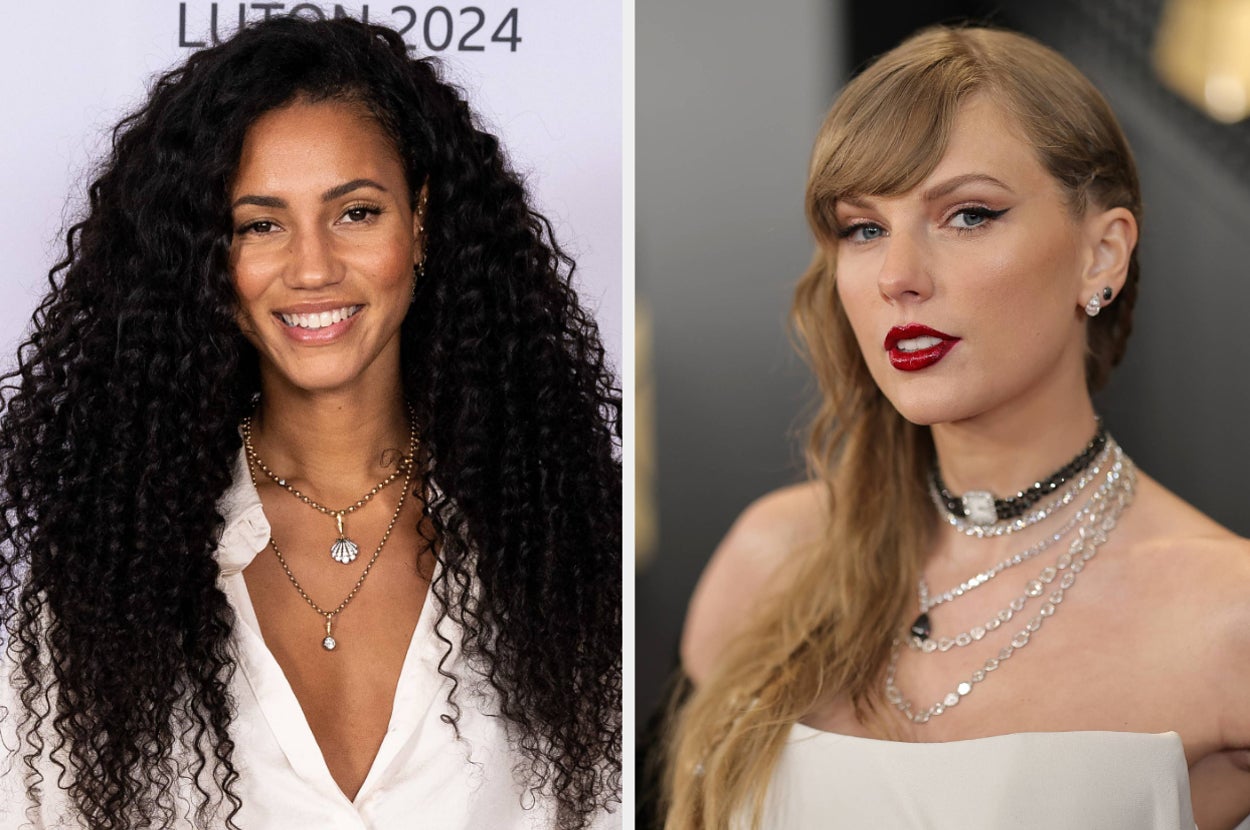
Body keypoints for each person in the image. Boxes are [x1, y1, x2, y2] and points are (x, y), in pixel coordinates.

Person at [0, 15, 620, 830]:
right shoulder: (98, 583)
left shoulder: (568, 547)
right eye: (260, 224)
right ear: (209, 259)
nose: (314, 268)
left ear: (421, 221)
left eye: (356, 212)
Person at [666, 24, 1250, 830]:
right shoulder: (771, 563)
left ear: (1102, 255)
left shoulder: (1228, 618)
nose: (900, 277)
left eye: (969, 215)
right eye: (863, 228)